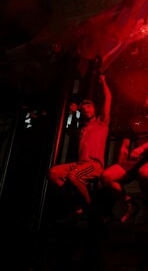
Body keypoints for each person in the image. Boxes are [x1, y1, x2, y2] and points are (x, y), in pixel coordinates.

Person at [101, 92, 148, 223]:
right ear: (144, 103)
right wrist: (121, 166)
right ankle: (131, 204)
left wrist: (142, 148)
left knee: (144, 173)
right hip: (136, 160)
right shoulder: (134, 121)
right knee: (106, 176)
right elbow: (125, 146)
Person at [48, 75, 111, 218]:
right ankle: (75, 206)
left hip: (94, 164)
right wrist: (76, 111)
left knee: (73, 175)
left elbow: (108, 98)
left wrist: (103, 82)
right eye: (84, 108)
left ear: (95, 109)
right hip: (80, 164)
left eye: (89, 106)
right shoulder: (82, 128)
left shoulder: (102, 123)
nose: (86, 109)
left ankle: (89, 207)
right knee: (53, 173)